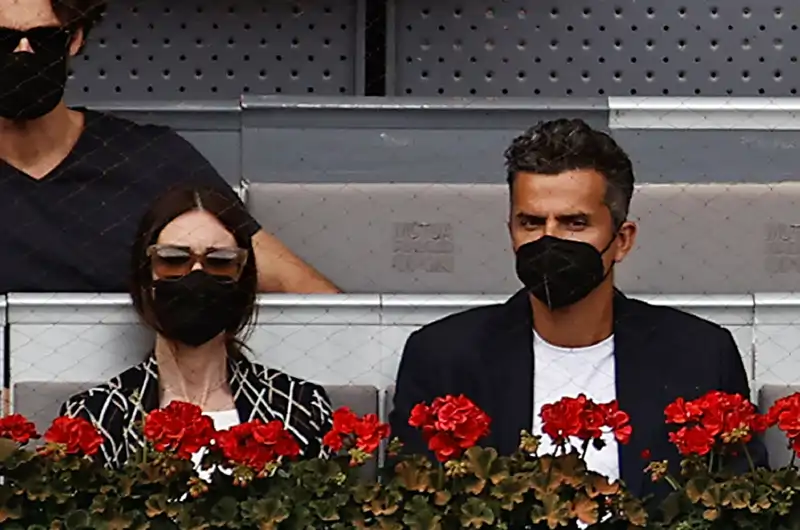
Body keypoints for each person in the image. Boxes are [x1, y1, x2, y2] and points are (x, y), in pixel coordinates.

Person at [389, 118, 767, 500]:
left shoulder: (699, 354)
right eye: (531, 222)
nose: (549, 239)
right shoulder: (443, 357)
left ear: (622, 240)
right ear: (510, 232)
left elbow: (739, 504)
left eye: (575, 223)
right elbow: (410, 503)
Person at [0, 0, 338, 293]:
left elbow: (300, 288)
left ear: (74, 40)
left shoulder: (151, 160)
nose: (22, 54)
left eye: (44, 39)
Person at [61, 186, 333, 467]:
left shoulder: (300, 407)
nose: (196, 276)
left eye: (220, 262)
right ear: (145, 277)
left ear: (243, 277)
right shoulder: (95, 416)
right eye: (173, 260)